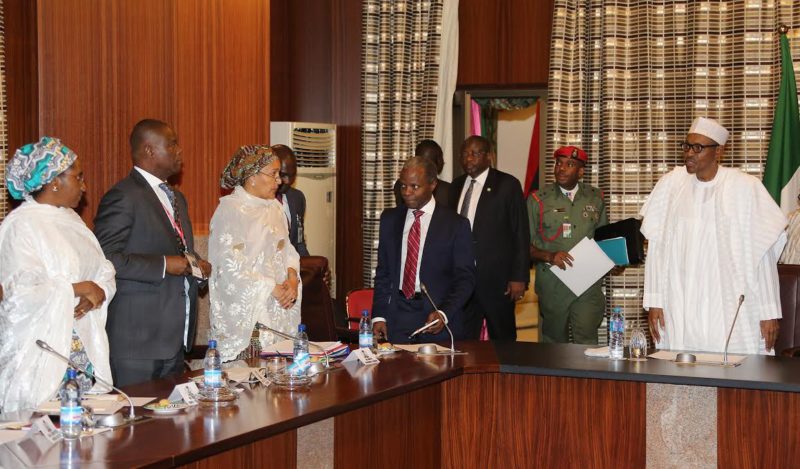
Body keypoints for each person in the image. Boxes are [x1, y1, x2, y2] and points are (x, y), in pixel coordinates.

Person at [641, 117, 786, 355]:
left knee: (733, 372)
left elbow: (764, 252)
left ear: (718, 151)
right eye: (686, 146)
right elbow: (656, 247)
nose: (689, 153)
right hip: (680, 300)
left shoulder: (744, 187)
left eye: (698, 148)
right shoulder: (671, 185)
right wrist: (655, 301)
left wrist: (769, 312)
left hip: (728, 305)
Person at [0, 137, 116, 412]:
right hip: (43, 357)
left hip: (84, 350)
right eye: (78, 177)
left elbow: (104, 269)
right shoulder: (21, 226)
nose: (84, 186)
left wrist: (98, 291)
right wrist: (78, 288)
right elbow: (17, 294)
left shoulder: (72, 221)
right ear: (54, 182)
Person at [94, 119, 211, 387]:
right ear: (149, 150)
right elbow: (105, 258)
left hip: (174, 339)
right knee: (136, 426)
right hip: (137, 343)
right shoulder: (123, 196)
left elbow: (181, 250)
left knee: (171, 425)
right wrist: (162, 265)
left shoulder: (176, 198)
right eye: (172, 144)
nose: (180, 150)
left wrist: (197, 265)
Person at [209, 145, 302, 361]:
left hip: (279, 306)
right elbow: (227, 266)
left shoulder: (275, 208)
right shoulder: (231, 210)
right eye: (273, 174)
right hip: (251, 315)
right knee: (252, 385)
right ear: (252, 176)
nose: (279, 181)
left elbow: (287, 248)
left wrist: (292, 277)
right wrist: (269, 287)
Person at [372, 157, 476, 344]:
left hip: (437, 318)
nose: (407, 192)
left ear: (432, 185)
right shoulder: (390, 219)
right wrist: (379, 315)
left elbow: (465, 279)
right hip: (398, 316)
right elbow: (383, 273)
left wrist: (444, 313)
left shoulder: (456, 225)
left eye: (414, 186)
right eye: (403, 186)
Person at [449, 136, 530, 340]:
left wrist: (519, 277)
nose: (469, 158)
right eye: (465, 154)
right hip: (462, 279)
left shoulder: (507, 185)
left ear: (489, 156)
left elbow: (520, 232)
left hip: (497, 280)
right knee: (463, 339)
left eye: (475, 153)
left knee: (503, 340)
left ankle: (506, 373)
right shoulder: (456, 185)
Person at [527, 146, 608, 344]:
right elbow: (524, 246)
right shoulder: (538, 199)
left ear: (581, 172)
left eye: (569, 164)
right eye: (558, 163)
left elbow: (604, 238)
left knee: (587, 341)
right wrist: (550, 256)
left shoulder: (595, 198)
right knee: (554, 345)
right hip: (554, 283)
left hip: (587, 284)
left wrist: (617, 255)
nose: (561, 169)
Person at [271, 144, 310, 256]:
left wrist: (311, 269)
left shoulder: (298, 198)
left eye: (292, 175)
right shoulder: (259, 200)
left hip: (293, 269)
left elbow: (299, 242)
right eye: (283, 175)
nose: (287, 181)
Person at [393, 139, 451, 208]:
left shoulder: (448, 190)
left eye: (415, 186)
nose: (407, 192)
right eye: (419, 160)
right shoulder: (401, 185)